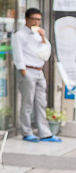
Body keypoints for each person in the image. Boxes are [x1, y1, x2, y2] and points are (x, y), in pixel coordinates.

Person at [14, 8, 62, 142]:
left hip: (39, 70)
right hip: (27, 71)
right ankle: (26, 132)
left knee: (41, 102)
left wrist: (42, 38)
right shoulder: (20, 35)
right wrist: (23, 71)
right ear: (27, 19)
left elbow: (46, 53)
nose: (36, 22)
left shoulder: (39, 35)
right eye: (34, 19)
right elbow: (18, 54)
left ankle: (45, 133)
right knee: (27, 103)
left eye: (39, 19)